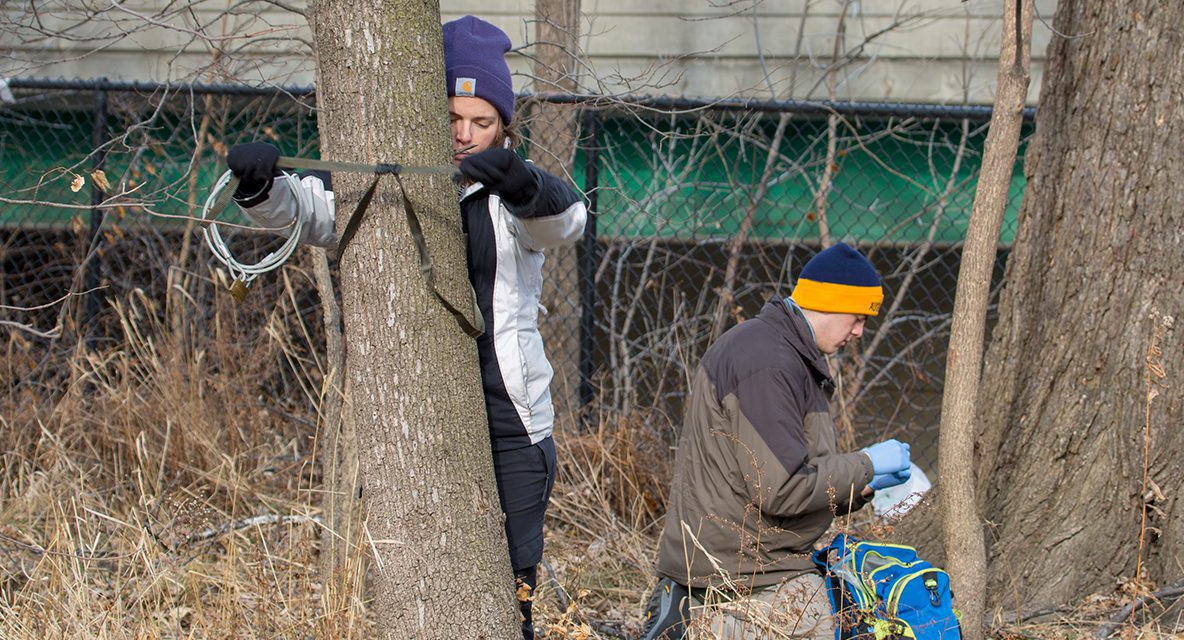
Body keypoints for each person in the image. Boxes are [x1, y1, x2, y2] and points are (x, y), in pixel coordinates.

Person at [224, 15, 587, 640]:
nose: (466, 136)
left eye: (482, 122)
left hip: (512, 420)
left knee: (512, 583)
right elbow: (309, 210)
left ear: (503, 126)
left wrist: (526, 184)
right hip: (421, 417)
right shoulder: (386, 174)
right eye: (453, 118)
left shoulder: (510, 197)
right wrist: (259, 186)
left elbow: (565, 219)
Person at [640, 243, 913, 639]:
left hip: (751, 552)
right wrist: (866, 463)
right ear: (829, 303)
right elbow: (783, 489)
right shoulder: (767, 362)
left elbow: (795, 472)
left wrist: (863, 485)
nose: (859, 331)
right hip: (739, 565)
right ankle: (698, 623)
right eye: (858, 317)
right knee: (825, 624)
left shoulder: (788, 353)